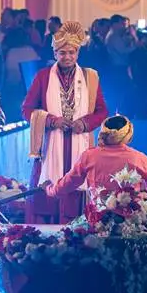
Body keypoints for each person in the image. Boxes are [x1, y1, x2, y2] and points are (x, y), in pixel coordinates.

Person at [22, 20, 109, 223]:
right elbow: (26, 110)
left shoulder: (91, 77)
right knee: (46, 194)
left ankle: (77, 228)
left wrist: (85, 123)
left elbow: (101, 111)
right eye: (63, 53)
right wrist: (51, 121)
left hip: (80, 143)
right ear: (55, 54)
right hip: (51, 144)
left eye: (71, 52)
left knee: (79, 187)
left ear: (78, 53)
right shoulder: (43, 77)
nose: (67, 57)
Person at [46, 115, 147, 202]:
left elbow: (67, 184)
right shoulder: (139, 158)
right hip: (131, 226)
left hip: (97, 225)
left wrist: (49, 189)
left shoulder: (89, 156)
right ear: (128, 135)